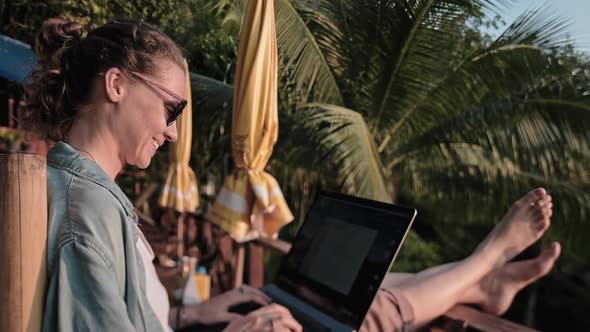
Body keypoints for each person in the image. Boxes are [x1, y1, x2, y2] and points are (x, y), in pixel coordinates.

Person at [22, 18, 559, 332]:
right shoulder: (85, 214)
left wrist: (194, 313)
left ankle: (482, 280)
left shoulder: (86, 194)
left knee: (346, 291)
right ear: (117, 85)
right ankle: (485, 262)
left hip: (193, 317)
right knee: (376, 310)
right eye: (172, 108)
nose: (171, 133)